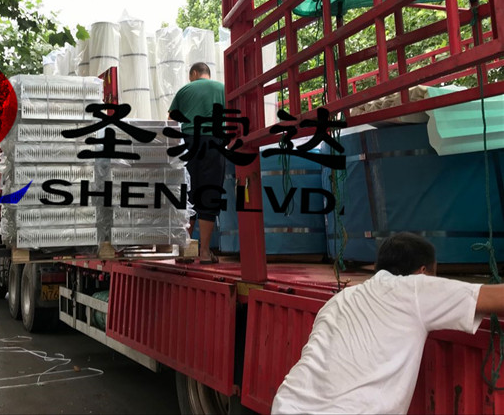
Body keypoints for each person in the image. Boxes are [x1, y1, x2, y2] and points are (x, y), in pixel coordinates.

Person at [272, 232, 504, 414]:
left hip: (288, 405)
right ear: (423, 271)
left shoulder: (338, 300)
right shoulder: (416, 288)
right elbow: (496, 298)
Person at [168, 62, 225, 264]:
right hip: (215, 142)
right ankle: (205, 252)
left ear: (194, 73)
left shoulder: (185, 90)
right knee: (210, 193)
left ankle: (186, 250)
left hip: (189, 142)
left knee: (188, 194)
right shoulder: (222, 89)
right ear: (207, 73)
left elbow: (171, 122)